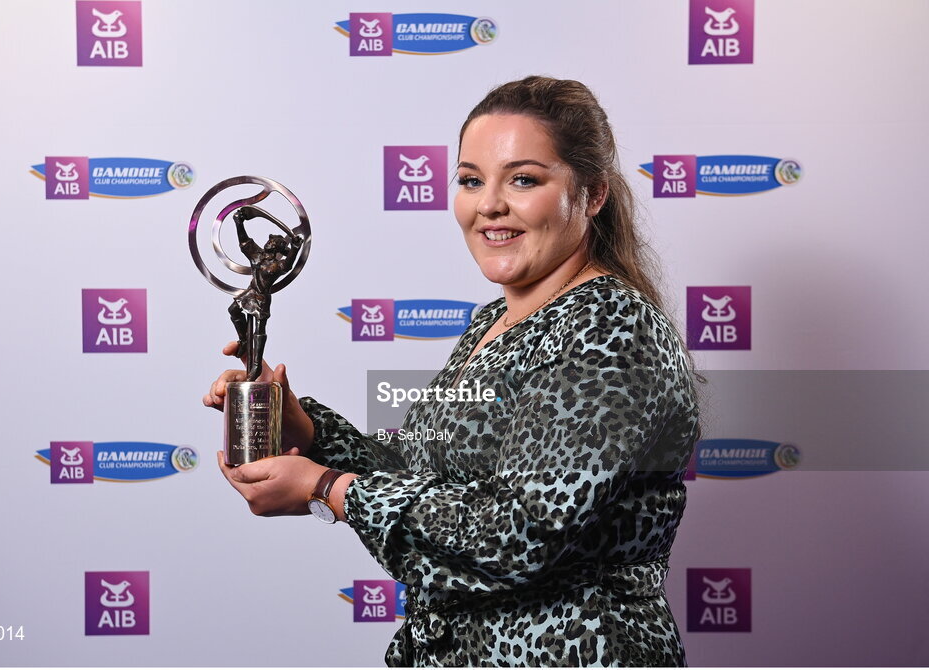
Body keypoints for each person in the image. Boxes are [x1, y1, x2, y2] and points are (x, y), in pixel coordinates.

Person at [204, 76, 700, 667]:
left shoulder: (612, 330)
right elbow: (426, 467)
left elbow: (518, 533)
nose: (488, 204)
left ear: (592, 195)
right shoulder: (498, 319)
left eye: (523, 179)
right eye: (470, 180)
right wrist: (307, 431)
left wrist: (325, 488)